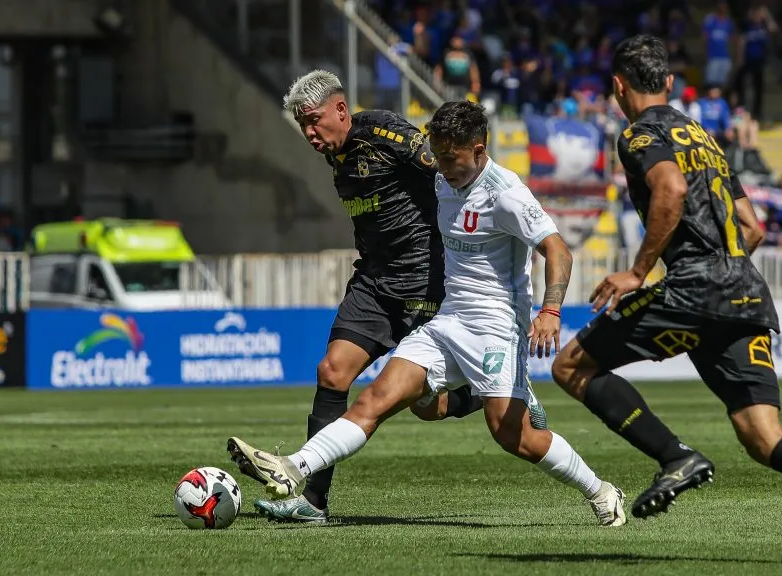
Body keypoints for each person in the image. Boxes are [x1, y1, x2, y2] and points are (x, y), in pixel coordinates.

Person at [549, 35, 782, 566]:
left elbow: (668, 191)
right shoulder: (705, 137)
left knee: (571, 366)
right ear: (669, 83)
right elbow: (752, 227)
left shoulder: (641, 134)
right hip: (744, 288)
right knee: (763, 436)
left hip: (696, 287)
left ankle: (676, 456)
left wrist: (639, 272)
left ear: (618, 87)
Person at [228, 100, 628, 527]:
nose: (441, 166)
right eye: (436, 155)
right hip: (447, 321)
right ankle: (293, 468)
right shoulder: (440, 180)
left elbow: (557, 250)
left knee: (515, 437)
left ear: (479, 148)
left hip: (495, 329)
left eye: (450, 158)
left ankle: (602, 491)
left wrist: (550, 310)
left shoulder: (506, 193)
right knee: (377, 400)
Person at [251, 70, 547, 524]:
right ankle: (312, 502)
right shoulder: (336, 153)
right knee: (332, 372)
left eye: (314, 121)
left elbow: (452, 169)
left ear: (341, 109)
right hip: (373, 282)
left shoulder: (384, 133)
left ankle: (505, 392)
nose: (310, 133)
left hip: (426, 281)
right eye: (302, 125)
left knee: (427, 407)